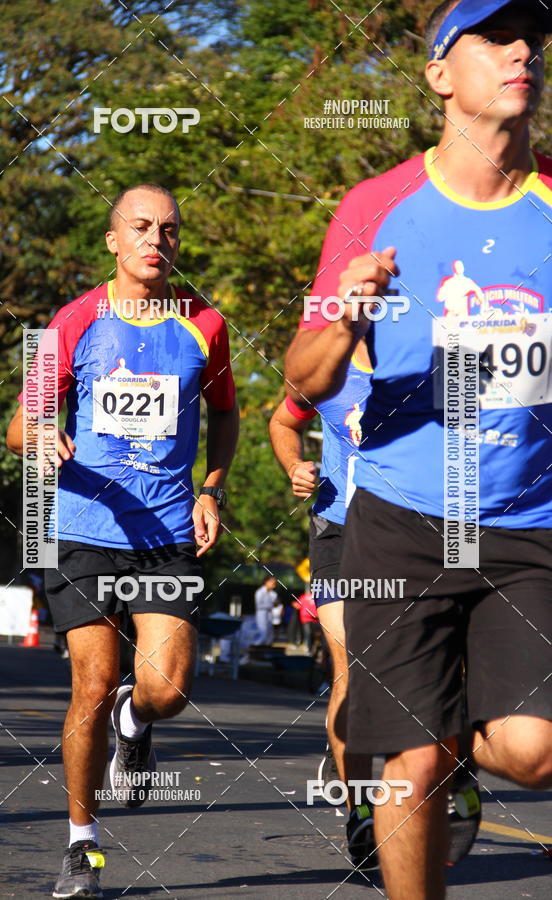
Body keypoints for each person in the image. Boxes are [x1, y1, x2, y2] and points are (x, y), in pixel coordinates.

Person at [284, 2, 552, 897]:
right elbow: (306, 375)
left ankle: (450, 720)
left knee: (534, 749)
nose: (523, 52)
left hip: (527, 521)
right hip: (401, 517)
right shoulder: (374, 208)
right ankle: (425, 734)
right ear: (440, 75)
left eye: (533, 42)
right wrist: (347, 314)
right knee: (411, 756)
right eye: (496, 38)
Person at [6, 183, 239, 899]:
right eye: (140, 227)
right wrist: (43, 431)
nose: (156, 240)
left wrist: (213, 489)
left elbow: (226, 415)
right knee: (92, 683)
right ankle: (82, 845)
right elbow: (21, 425)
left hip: (165, 529)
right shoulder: (74, 321)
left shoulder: (206, 325)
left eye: (169, 229)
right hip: (83, 529)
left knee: (167, 687)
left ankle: (136, 722)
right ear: (113, 240)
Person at [270, 343, 376, 867]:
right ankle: (361, 812)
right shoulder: (330, 368)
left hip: (418, 536)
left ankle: (453, 774)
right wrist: (295, 467)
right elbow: (281, 422)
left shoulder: (440, 362)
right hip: (339, 530)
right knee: (351, 667)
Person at [254, 575, 278, 644]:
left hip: (270, 613)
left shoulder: (273, 594)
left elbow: (275, 603)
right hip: (261, 612)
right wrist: (271, 605)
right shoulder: (259, 592)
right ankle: (255, 647)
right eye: (272, 583)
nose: (274, 585)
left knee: (269, 633)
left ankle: (266, 649)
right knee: (263, 632)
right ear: (266, 582)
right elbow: (259, 605)